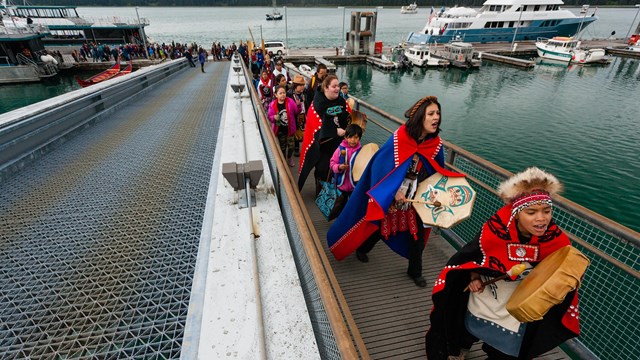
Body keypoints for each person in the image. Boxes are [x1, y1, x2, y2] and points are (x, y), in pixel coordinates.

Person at [425, 167, 582, 360]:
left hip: (519, 304)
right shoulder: (494, 230)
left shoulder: (556, 239)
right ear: (515, 213)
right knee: (468, 326)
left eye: (547, 211)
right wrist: (473, 277)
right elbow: (471, 258)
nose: (541, 219)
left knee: (507, 349)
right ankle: (459, 349)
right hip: (486, 296)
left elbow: (564, 271)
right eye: (531, 212)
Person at [327, 96, 464, 287]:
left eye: (438, 113)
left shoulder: (435, 145)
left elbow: (437, 172)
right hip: (393, 195)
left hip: (417, 198)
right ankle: (363, 248)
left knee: (416, 235)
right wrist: (392, 192)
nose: (436, 118)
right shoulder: (401, 137)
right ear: (420, 117)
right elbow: (380, 166)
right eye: (431, 113)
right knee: (379, 227)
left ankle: (415, 271)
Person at [298, 74, 351, 194]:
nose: (337, 88)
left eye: (338, 85)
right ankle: (320, 193)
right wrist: (335, 131)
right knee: (322, 168)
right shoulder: (318, 103)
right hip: (321, 144)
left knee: (339, 167)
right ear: (326, 88)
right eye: (334, 86)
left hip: (338, 143)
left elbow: (347, 115)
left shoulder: (341, 100)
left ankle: (334, 192)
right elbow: (316, 125)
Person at [328, 124, 363, 221]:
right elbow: (332, 163)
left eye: (356, 137)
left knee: (353, 207)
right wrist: (339, 167)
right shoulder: (340, 149)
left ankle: (349, 223)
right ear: (345, 137)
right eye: (350, 137)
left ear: (360, 138)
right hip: (341, 185)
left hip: (354, 186)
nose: (353, 140)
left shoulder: (362, 151)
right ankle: (339, 222)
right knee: (340, 206)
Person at [268, 86, 301, 167]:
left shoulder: (290, 101)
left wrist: (299, 106)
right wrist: (274, 118)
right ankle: (283, 161)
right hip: (280, 130)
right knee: (282, 147)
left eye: (284, 93)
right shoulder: (273, 104)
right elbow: (269, 116)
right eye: (280, 93)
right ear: (276, 95)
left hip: (290, 129)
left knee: (291, 146)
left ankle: (289, 158)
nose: (283, 95)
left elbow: (296, 112)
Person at [288, 75, 307, 157]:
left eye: (303, 85)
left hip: (303, 115)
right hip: (294, 116)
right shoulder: (289, 94)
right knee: (295, 131)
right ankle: (296, 148)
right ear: (295, 86)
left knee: (301, 131)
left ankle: (300, 146)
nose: (302, 87)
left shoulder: (304, 93)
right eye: (300, 85)